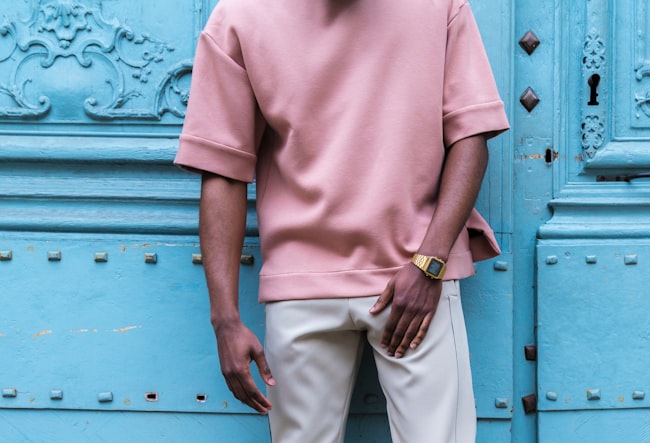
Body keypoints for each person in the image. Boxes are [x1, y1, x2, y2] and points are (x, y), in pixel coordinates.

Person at [174, 0, 509, 441]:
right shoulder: (239, 16)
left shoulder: (440, 6)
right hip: (305, 285)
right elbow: (222, 173)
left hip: (413, 281)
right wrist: (225, 319)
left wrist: (429, 263)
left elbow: (471, 136)